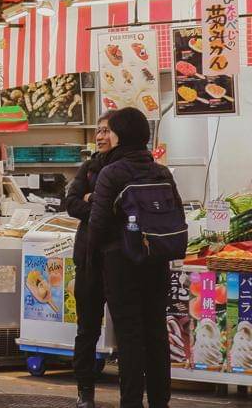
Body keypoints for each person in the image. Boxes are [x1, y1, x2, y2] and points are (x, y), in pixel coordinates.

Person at [87, 107, 183, 408]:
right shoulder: (161, 171)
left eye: (111, 130)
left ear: (121, 135)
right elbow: (177, 213)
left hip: (121, 263)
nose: (107, 136)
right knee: (156, 332)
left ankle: (131, 402)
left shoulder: (111, 172)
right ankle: (160, 402)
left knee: (129, 336)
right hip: (156, 262)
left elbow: (98, 225)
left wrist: (93, 259)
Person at [64, 111, 119, 407]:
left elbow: (120, 210)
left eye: (107, 130)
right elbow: (71, 203)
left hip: (121, 260)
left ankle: (131, 388)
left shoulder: (126, 168)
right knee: (86, 328)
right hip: (87, 258)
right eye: (98, 130)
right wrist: (96, 203)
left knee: (126, 327)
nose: (100, 136)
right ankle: (84, 391)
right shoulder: (88, 168)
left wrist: (92, 200)